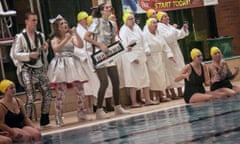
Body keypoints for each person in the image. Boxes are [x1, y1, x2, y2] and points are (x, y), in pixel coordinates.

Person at [84, 3, 129, 120]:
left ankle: (118, 106)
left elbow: (113, 40)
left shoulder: (112, 24)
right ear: (102, 11)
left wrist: (121, 48)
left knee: (116, 81)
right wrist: (100, 44)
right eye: (107, 8)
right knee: (104, 82)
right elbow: (86, 37)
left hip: (110, 56)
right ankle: (99, 109)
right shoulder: (96, 22)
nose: (110, 9)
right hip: (99, 56)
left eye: (110, 8)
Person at [10, 12, 52, 127]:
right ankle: (26, 120)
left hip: (39, 66)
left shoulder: (40, 35)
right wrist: (29, 55)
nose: (35, 23)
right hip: (27, 68)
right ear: (26, 21)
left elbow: (43, 53)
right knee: (30, 95)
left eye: (36, 20)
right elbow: (15, 53)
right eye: (33, 20)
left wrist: (45, 49)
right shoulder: (20, 37)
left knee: (47, 92)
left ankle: (45, 118)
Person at [47, 14, 90, 126]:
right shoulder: (54, 39)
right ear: (57, 27)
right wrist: (66, 39)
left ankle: (81, 112)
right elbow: (56, 48)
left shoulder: (71, 37)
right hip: (61, 65)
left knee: (80, 90)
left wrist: (75, 34)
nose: (65, 25)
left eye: (65, 23)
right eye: (62, 24)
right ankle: (58, 115)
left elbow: (80, 45)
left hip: (73, 63)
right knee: (61, 92)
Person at [75, 11, 114, 113]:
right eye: (85, 19)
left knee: (101, 82)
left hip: (95, 57)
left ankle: (102, 105)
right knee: (93, 84)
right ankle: (96, 106)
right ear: (80, 20)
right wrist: (84, 56)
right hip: (85, 60)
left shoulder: (89, 29)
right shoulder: (78, 31)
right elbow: (75, 48)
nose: (86, 21)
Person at [119, 12, 157, 108]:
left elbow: (143, 40)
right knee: (133, 81)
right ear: (125, 21)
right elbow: (124, 45)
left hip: (140, 55)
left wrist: (147, 49)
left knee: (145, 79)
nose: (132, 20)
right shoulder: (123, 30)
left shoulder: (137, 27)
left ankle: (148, 100)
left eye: (133, 18)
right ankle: (134, 102)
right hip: (131, 58)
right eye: (130, 19)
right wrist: (132, 57)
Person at [157, 11, 189, 99]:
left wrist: (184, 29)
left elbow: (178, 35)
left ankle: (179, 91)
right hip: (167, 52)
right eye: (165, 17)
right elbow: (167, 38)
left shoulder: (169, 26)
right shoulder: (160, 27)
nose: (167, 18)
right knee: (171, 72)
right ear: (160, 19)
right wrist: (173, 29)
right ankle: (172, 93)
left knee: (179, 69)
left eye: (167, 16)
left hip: (175, 50)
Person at [143, 18, 175, 103]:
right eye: (153, 23)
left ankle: (161, 95)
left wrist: (170, 55)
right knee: (154, 78)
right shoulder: (145, 35)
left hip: (160, 57)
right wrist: (147, 50)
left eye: (156, 23)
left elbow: (165, 45)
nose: (155, 24)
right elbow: (144, 45)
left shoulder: (158, 34)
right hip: (151, 58)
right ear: (149, 25)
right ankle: (155, 97)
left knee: (161, 77)